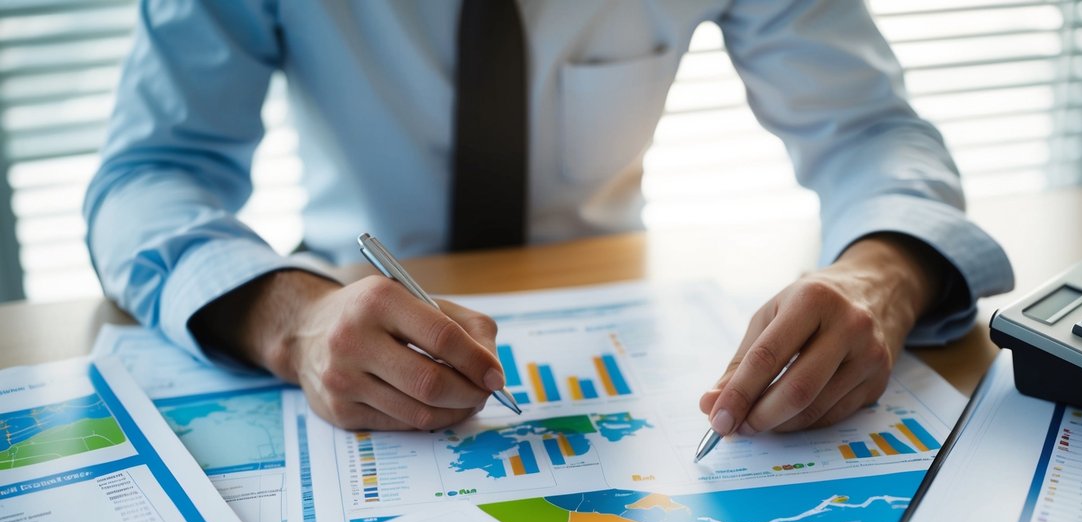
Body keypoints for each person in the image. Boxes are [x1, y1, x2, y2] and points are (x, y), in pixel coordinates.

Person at [85, 1, 1013, 437]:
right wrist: (292, 320)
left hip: (629, 328)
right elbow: (149, 175)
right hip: (344, 312)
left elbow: (868, 129)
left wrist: (879, 277)